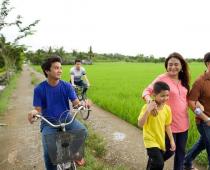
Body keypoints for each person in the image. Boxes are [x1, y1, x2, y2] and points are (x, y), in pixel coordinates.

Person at [28, 56, 88, 170]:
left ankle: (72, 153)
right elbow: (38, 110)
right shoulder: (39, 89)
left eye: (60, 68)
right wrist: (33, 113)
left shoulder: (67, 86)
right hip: (49, 123)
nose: (60, 70)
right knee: (48, 152)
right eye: (56, 68)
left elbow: (75, 103)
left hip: (66, 119)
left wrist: (82, 104)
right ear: (47, 71)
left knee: (83, 131)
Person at [142, 52, 190, 170]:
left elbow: (188, 98)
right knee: (166, 152)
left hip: (183, 123)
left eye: (176, 64)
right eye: (170, 64)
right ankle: (152, 166)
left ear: (182, 66)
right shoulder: (162, 78)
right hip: (167, 124)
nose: (173, 67)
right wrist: (150, 103)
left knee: (181, 153)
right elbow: (146, 92)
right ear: (166, 66)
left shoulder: (184, 80)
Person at [138, 81, 176, 170]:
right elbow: (140, 124)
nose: (166, 98)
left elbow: (167, 125)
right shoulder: (147, 107)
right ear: (154, 95)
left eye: (167, 95)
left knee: (166, 155)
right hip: (150, 140)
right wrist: (148, 110)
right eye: (162, 96)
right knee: (159, 164)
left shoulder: (167, 109)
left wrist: (172, 140)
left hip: (160, 139)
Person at [184, 52, 210, 170]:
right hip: (204, 123)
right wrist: (206, 119)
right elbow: (191, 102)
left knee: (202, 144)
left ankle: (186, 161)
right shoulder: (200, 81)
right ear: (208, 63)